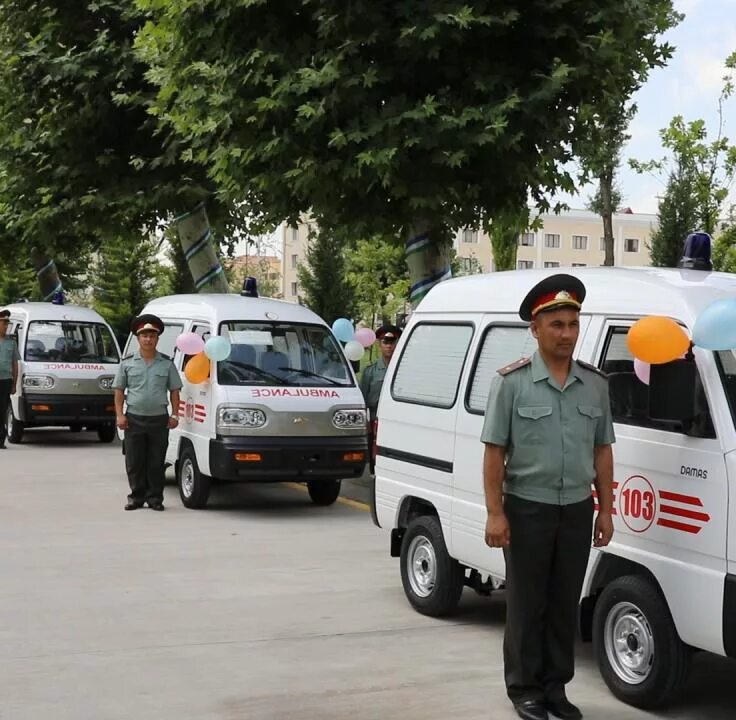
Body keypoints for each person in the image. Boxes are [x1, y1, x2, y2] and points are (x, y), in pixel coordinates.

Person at [481, 274, 615, 720]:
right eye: (556, 324)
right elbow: (495, 452)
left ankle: (556, 687)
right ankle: (524, 689)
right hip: (527, 508)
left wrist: (606, 511)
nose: (566, 334)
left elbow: (601, 451)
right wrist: (495, 513)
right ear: (535, 329)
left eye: (573, 324)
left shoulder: (594, 384)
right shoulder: (512, 383)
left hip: (576, 509)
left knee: (563, 602)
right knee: (526, 603)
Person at [113, 314, 182, 511]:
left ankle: (155, 499)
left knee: (156, 462)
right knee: (134, 462)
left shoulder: (166, 364)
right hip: (134, 418)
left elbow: (175, 391)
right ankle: (136, 497)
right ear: (138, 338)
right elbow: (118, 390)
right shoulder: (127, 363)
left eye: (152, 336)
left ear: (157, 339)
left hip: (158, 420)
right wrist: (120, 414)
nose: (148, 339)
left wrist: (175, 414)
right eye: (144, 336)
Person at [359, 324, 402, 471]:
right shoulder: (370, 372)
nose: (389, 346)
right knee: (375, 463)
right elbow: (363, 401)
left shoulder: (403, 370)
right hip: (376, 422)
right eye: (385, 342)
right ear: (379, 344)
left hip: (398, 421)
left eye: (393, 341)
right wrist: (366, 426)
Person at [0, 309, 20, 449]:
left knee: (2, 410)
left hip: (5, 380)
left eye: (7, 324)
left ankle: (1, 440)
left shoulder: (11, 343)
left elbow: (15, 364)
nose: (6, 327)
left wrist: (14, 383)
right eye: (3, 324)